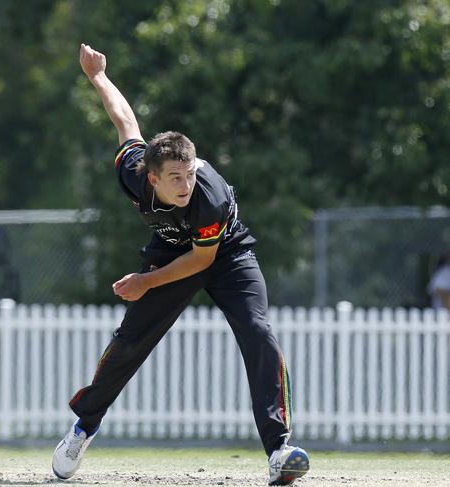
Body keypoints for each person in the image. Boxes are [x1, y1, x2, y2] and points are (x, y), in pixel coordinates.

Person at [52, 44, 310, 487]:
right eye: (175, 178)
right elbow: (125, 121)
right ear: (151, 178)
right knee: (132, 340)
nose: (185, 184)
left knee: (257, 330)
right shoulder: (133, 171)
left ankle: (278, 449)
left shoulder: (206, 198)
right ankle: (83, 427)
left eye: (189, 174)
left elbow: (203, 259)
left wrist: (145, 280)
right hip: (173, 252)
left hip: (225, 254)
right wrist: (98, 77)